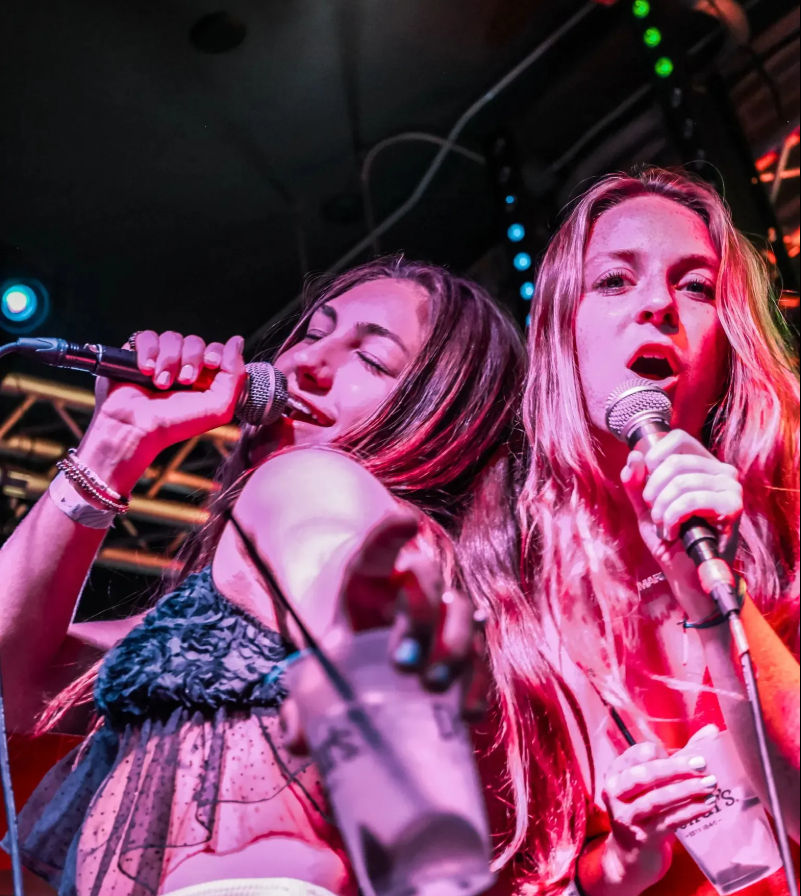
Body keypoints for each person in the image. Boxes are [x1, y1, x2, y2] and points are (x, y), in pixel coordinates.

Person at [0, 255, 567, 895]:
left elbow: (339, 576)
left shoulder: (309, 481)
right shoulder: (215, 616)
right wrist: (115, 441)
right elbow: (16, 684)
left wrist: (369, 631)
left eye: (372, 360)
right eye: (313, 332)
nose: (308, 363)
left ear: (444, 426)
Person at [508, 166, 800, 895]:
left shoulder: (789, 507)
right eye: (613, 281)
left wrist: (707, 588)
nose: (658, 307)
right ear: (558, 331)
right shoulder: (508, 578)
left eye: (696, 287)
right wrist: (616, 866)